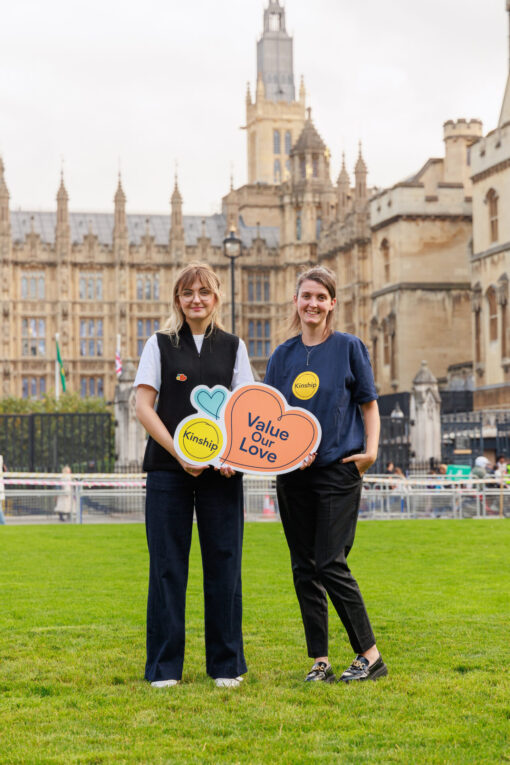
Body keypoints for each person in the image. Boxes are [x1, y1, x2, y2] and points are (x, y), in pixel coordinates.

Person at [264, 265, 387, 684]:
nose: (313, 304)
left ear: (332, 303)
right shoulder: (282, 356)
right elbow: (268, 417)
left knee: (331, 563)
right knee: (304, 566)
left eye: (321, 297)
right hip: (293, 474)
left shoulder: (350, 347)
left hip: (337, 469)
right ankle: (320, 661)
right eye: (306, 296)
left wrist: (370, 451)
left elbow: (369, 404)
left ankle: (370, 656)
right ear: (296, 302)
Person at [134, 263, 254, 689]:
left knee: (225, 564)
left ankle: (226, 665)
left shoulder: (234, 346)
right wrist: (178, 452)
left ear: (216, 297)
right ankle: (164, 668)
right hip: (170, 470)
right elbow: (144, 406)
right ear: (177, 300)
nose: (196, 300)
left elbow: (246, 409)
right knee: (167, 565)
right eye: (188, 293)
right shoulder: (160, 344)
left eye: (204, 292)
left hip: (223, 472)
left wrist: (232, 455)